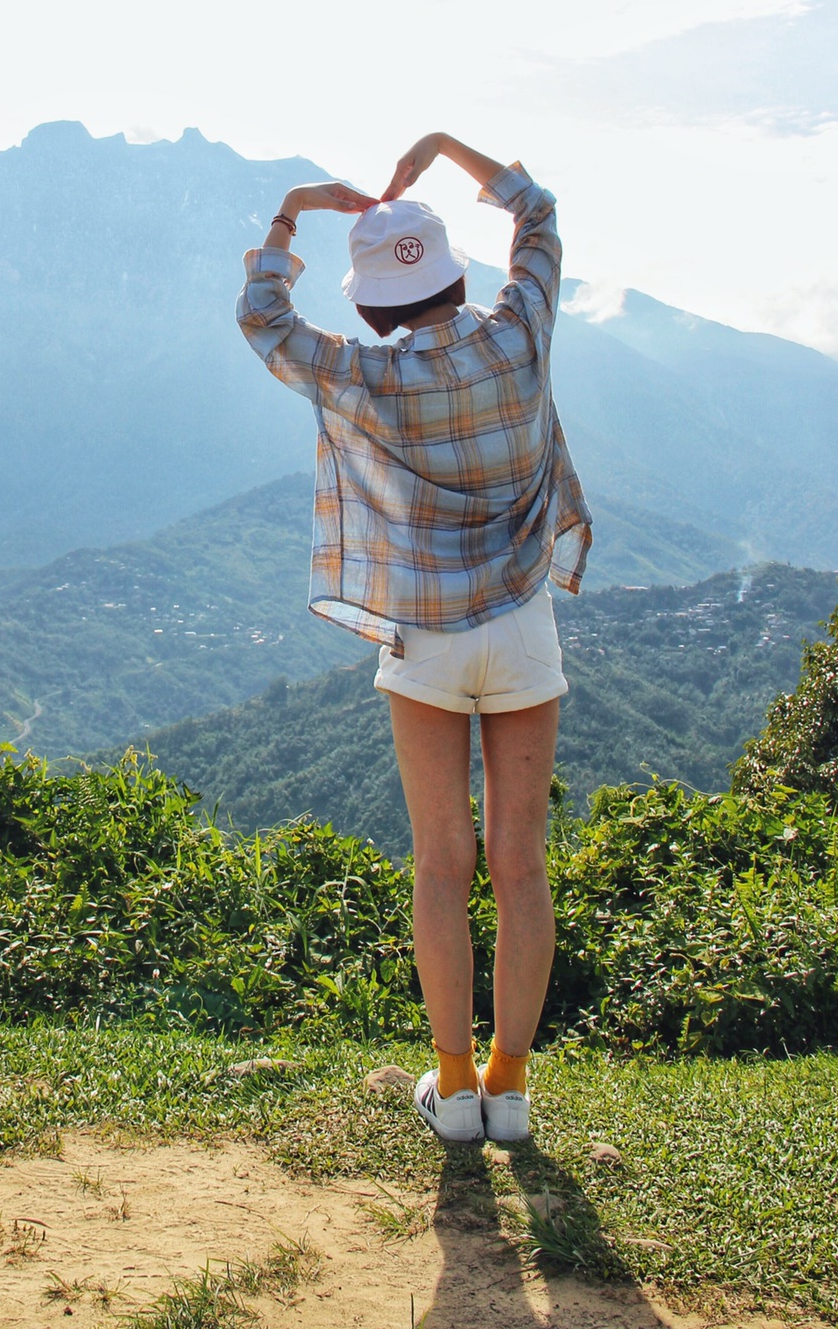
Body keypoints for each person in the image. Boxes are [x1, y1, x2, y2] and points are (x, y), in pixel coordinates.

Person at [236, 130, 591, 1145]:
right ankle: (509, 1088)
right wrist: (444, 149)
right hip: (522, 628)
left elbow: (260, 320)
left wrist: (292, 211)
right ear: (452, 277)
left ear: (370, 303)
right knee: (519, 865)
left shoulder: (363, 374)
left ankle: (450, 1088)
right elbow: (539, 214)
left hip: (424, 641)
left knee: (442, 864)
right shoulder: (518, 330)